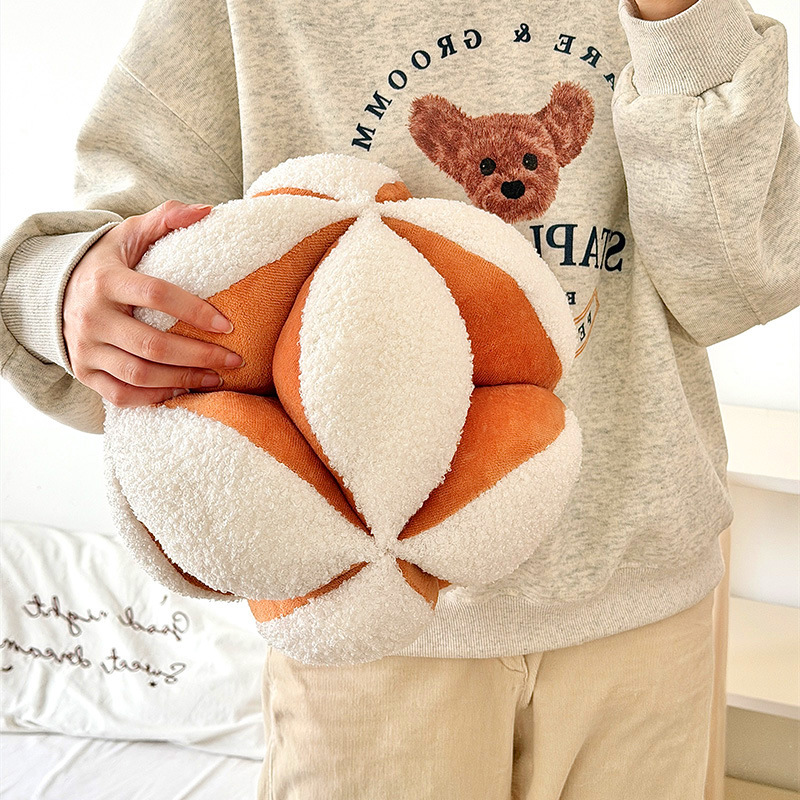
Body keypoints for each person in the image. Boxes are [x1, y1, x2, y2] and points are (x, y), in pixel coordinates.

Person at [1, 0, 798, 796]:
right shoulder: (239, 16)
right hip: (363, 623)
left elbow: (742, 283)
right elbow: (129, 264)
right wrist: (62, 292)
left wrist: (681, 24)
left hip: (643, 603)